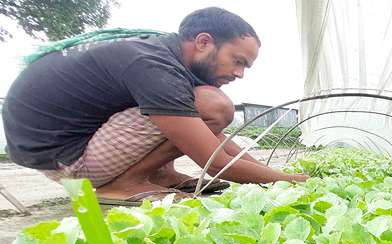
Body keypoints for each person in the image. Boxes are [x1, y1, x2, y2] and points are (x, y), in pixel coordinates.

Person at [2, 7, 308, 206]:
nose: (239, 73)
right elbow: (213, 162)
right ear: (203, 42)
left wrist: (269, 173)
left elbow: (214, 142)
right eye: (238, 61)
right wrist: (292, 182)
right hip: (67, 161)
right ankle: (123, 184)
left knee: (198, 108)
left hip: (71, 147)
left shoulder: (161, 56)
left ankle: (160, 175)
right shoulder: (154, 66)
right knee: (213, 106)